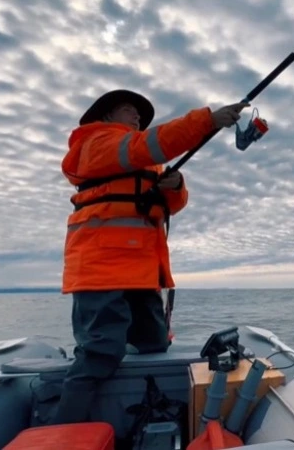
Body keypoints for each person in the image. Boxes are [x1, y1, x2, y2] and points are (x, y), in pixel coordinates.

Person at [51, 89, 249, 426]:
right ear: (106, 116)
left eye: (139, 117)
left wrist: (174, 185)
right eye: (130, 111)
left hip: (141, 271)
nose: (137, 118)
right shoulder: (96, 143)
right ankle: (61, 432)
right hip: (101, 270)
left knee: (154, 343)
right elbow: (153, 143)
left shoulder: (139, 159)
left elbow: (170, 205)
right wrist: (208, 121)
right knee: (100, 353)